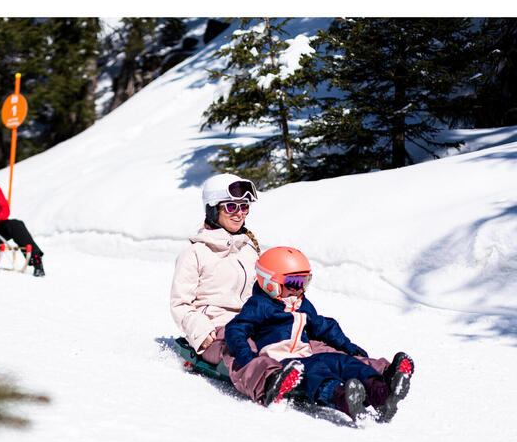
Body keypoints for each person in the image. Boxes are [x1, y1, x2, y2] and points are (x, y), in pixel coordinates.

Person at [170, 173, 404, 414]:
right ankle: (271, 379)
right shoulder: (195, 253)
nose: (239, 213)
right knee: (237, 348)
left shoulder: (247, 248)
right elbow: (181, 304)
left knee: (306, 342)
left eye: (244, 207)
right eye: (231, 206)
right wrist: (200, 329)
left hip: (260, 318)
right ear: (212, 209)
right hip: (216, 326)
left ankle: (380, 374)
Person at [224, 246, 414, 421]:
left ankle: (382, 395)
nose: (300, 288)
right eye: (293, 282)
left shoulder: (302, 304)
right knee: (317, 373)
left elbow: (324, 326)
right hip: (285, 362)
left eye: (304, 281)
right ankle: (343, 398)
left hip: (308, 354)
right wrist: (246, 355)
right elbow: (236, 328)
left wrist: (348, 347)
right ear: (269, 282)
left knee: (346, 362)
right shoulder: (260, 305)